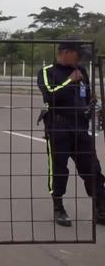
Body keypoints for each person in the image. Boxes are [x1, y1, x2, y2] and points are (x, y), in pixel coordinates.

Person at [37, 40, 105, 227]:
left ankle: (101, 207)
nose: (81, 59)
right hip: (58, 128)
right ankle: (59, 208)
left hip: (80, 127)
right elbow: (49, 96)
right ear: (66, 52)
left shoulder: (82, 70)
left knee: (92, 167)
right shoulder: (47, 71)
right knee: (58, 169)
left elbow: (88, 95)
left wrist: (95, 108)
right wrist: (69, 81)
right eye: (78, 55)